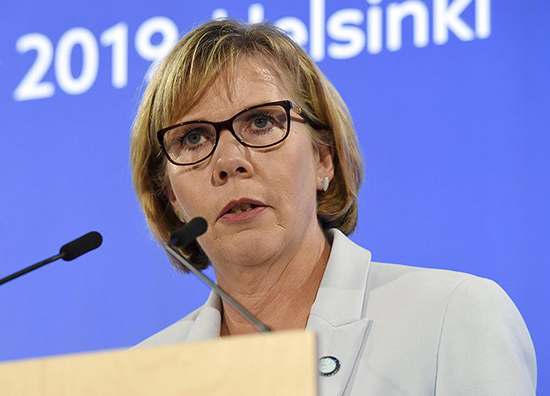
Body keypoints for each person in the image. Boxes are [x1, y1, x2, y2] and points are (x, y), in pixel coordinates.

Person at [129, 19, 536, 394]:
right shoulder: (136, 379)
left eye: (261, 122)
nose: (230, 161)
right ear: (171, 196)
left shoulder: (453, 316)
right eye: (193, 138)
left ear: (324, 158)